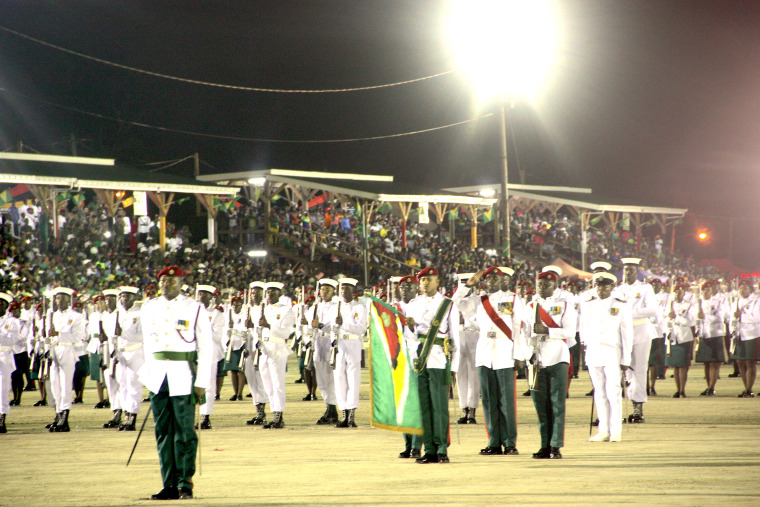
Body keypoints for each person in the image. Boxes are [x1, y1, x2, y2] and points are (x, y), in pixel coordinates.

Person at [139, 265, 213, 501]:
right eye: (162, 280)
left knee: (184, 432)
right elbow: (147, 343)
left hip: (183, 374)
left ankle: (184, 484)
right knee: (163, 432)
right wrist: (148, 375)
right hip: (158, 375)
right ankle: (168, 484)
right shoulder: (149, 307)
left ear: (182, 283)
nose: (166, 284)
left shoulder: (194, 307)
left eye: (172, 281)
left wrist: (202, 380)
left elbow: (206, 346)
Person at [453, 267, 525, 456]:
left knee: (506, 402)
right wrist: (466, 287)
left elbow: (519, 328)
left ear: (503, 281)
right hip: (484, 354)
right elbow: (453, 305)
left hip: (505, 354)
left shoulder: (513, 299)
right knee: (489, 401)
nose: (491, 281)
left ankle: (510, 442)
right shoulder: (478, 301)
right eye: (488, 279)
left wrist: (519, 355)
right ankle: (493, 441)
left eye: (495, 278)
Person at [404, 267, 459, 464]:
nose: (425, 283)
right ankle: (429, 449)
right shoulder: (412, 304)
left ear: (438, 281)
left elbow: (455, 338)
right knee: (424, 407)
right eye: (422, 280)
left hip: (438, 358)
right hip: (419, 359)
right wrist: (410, 327)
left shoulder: (447, 304)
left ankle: (442, 448)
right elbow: (409, 337)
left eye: (429, 279)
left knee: (439, 407)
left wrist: (454, 367)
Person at [526, 269, 577, 459]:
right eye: (540, 284)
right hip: (534, 359)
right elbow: (523, 333)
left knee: (557, 403)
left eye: (547, 284)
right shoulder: (530, 306)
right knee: (540, 404)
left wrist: (547, 331)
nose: (542, 287)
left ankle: (556, 445)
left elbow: (570, 331)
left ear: (555, 286)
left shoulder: (564, 306)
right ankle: (544, 445)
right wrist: (526, 355)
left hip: (557, 356)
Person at [580, 273, 633, 443]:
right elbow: (583, 328)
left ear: (612, 288)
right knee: (599, 392)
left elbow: (627, 333)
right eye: (598, 286)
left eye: (605, 286)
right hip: (594, 352)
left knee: (614, 391)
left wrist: (626, 359)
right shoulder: (588, 305)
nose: (601, 289)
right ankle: (603, 430)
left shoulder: (621, 305)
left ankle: (616, 431)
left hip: (612, 352)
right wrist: (586, 348)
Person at [615, 258, 658, 423]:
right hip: (622, 332)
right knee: (623, 369)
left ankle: (638, 406)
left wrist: (628, 314)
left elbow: (652, 309)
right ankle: (618, 408)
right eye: (626, 269)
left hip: (640, 331)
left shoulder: (645, 288)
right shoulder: (617, 289)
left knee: (639, 369)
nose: (628, 272)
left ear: (637, 271)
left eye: (631, 270)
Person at [46, 287, 86, 432]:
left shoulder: (76, 316)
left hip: (67, 350)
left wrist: (59, 334)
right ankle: (58, 413)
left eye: (63, 298)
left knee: (65, 385)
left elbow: (78, 337)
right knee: (55, 385)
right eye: (57, 298)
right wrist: (46, 352)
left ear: (69, 300)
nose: (60, 301)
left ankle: (65, 417)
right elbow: (46, 337)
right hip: (54, 351)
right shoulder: (51, 315)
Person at [258, 281, 295, 429]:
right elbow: (258, 329)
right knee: (268, 385)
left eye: (273, 291)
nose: (270, 294)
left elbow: (286, 332)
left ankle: (279, 415)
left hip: (278, 348)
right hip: (264, 348)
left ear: (280, 293)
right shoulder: (264, 309)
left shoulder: (286, 310)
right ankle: (274, 412)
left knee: (278, 383)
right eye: (268, 291)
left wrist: (268, 326)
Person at [332, 278, 367, 428]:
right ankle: (344, 413)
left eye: (347, 289)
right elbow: (329, 327)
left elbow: (361, 329)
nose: (344, 291)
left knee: (353, 379)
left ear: (353, 291)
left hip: (353, 343)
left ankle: (352, 415)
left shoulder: (360, 308)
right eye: (341, 289)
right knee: (339, 378)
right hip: (339, 344)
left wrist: (343, 323)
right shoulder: (335, 307)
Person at [395, 275, 422, 459]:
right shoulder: (393, 308)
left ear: (416, 289)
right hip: (398, 357)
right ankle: (407, 443)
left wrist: (412, 328)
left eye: (410, 286)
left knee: (416, 402)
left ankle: (417, 445)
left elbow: (423, 331)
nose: (405, 289)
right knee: (403, 402)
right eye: (403, 287)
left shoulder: (420, 306)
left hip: (415, 355)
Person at [452, 272, 481, 425]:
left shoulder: (479, 300)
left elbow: (480, 322)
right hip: (458, 337)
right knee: (460, 375)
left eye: (470, 282)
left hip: (474, 336)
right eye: (463, 282)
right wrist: (464, 288)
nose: (467, 284)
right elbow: (453, 302)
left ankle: (473, 410)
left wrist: (468, 319)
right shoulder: (455, 299)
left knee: (474, 375)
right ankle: (464, 409)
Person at [114, 286, 144, 431]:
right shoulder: (118, 314)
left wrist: (124, 333)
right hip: (121, 354)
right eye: (122, 296)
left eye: (127, 296)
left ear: (133, 298)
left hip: (136, 353)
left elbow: (143, 337)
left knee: (134, 385)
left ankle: (132, 416)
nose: (124, 299)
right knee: (123, 386)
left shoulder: (140, 314)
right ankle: (126, 415)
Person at [196, 285, 226, 429]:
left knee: (208, 385)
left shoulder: (217, 314)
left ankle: (205, 416)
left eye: (204, 294)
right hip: (192, 352)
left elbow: (218, 337)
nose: (201, 297)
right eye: (199, 294)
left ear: (210, 297)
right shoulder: (191, 311)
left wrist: (202, 326)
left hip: (209, 352)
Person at [312, 278, 340, 425]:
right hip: (318, 343)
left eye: (327, 290)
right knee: (321, 379)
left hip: (330, 342)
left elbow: (335, 324)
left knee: (331, 379)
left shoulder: (337, 306)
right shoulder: (316, 306)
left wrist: (321, 325)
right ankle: (329, 407)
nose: (324, 292)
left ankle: (332, 409)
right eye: (322, 289)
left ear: (333, 292)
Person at [695, 280, 727, 396]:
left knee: (714, 362)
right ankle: (708, 386)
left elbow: (719, 318)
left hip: (715, 334)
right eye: (704, 290)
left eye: (708, 290)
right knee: (707, 362)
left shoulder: (717, 302)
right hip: (704, 334)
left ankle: (712, 387)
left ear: (712, 291)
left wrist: (706, 317)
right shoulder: (699, 303)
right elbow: (696, 319)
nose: (705, 292)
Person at [244, 282, 270, 426]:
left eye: (258, 293)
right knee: (251, 379)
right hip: (250, 346)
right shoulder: (248, 309)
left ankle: (263, 412)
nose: (255, 295)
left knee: (261, 380)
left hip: (263, 347)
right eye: (253, 292)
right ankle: (258, 410)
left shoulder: (266, 308)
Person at [730, 278, 759, 397]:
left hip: (752, 334)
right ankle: (745, 386)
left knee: (750, 361)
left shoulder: (756, 301)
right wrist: (732, 331)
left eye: (745, 288)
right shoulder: (736, 301)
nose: (742, 290)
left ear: (750, 289)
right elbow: (731, 318)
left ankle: (749, 388)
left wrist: (741, 316)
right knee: (740, 361)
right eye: (740, 288)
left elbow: (757, 318)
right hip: (739, 334)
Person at [666, 283, 696, 398]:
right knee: (676, 366)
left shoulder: (689, 305)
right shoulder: (670, 305)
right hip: (673, 337)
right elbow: (666, 319)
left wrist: (676, 318)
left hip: (684, 337)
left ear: (684, 293)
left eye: (681, 291)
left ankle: (683, 390)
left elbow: (690, 322)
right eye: (676, 291)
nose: (678, 293)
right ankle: (677, 389)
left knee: (683, 366)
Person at [101, 288, 125, 429]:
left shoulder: (121, 315)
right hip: (107, 350)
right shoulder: (104, 316)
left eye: (112, 299)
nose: (108, 301)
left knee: (121, 382)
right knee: (110, 384)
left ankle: (121, 411)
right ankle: (115, 410)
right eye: (107, 299)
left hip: (119, 350)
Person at [648, 278, 669, 396]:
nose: (655, 287)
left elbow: (662, 314)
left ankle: (652, 386)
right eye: (653, 285)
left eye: (657, 285)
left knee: (654, 361)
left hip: (657, 332)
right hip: (645, 332)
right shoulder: (646, 297)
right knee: (644, 362)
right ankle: (645, 386)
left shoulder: (665, 297)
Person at [0, 293, 17, 433]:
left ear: (6, 306)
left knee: (3, 389)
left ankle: (2, 417)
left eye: (2, 304)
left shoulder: (11, 322)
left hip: (5, 356)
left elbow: (11, 341)